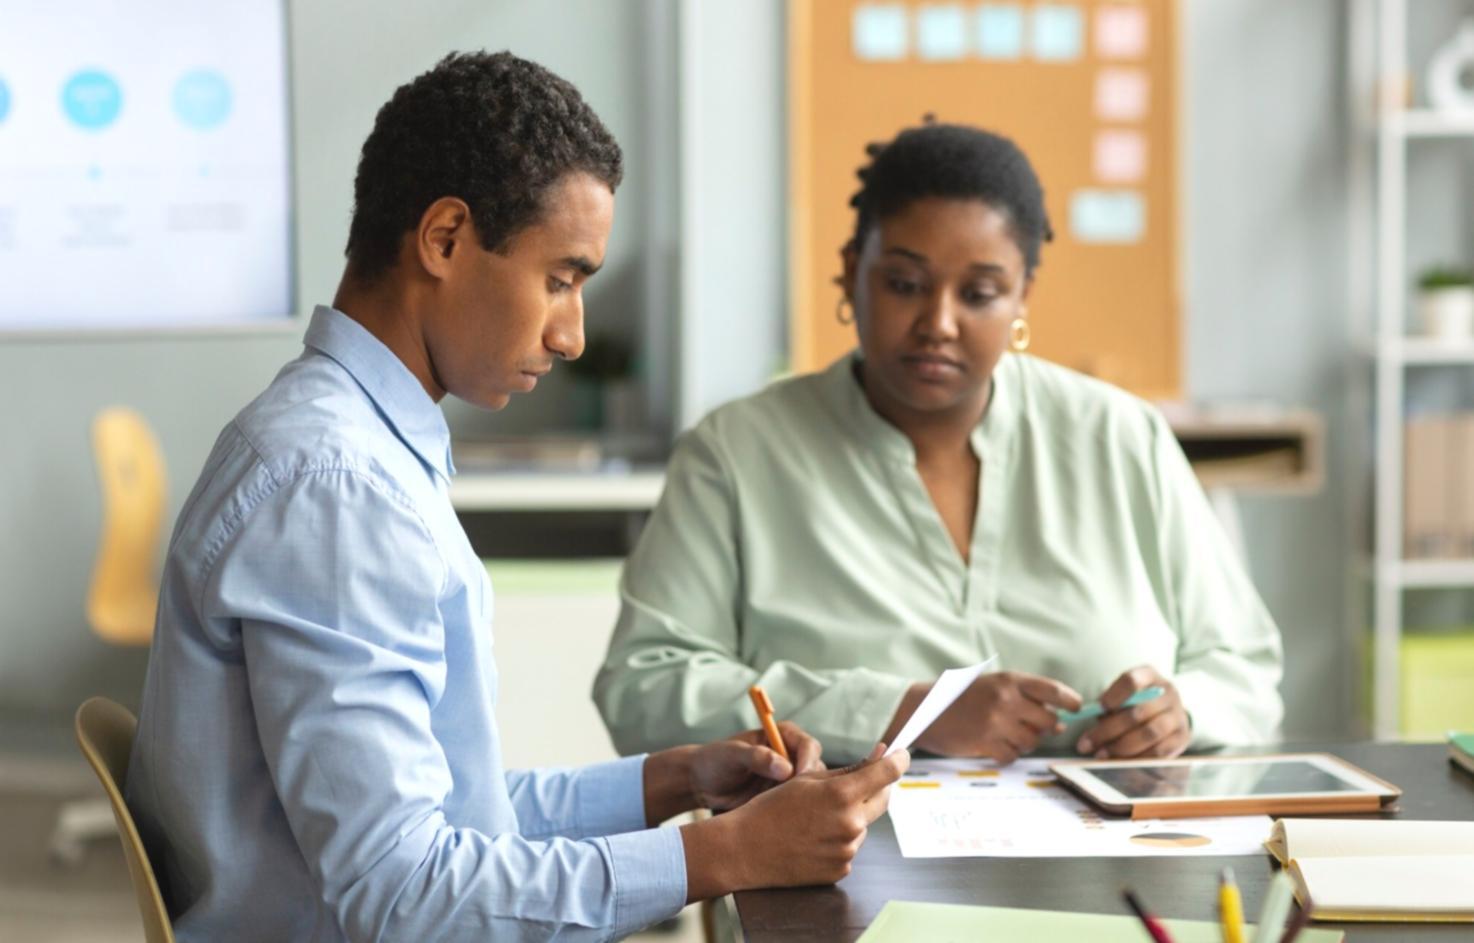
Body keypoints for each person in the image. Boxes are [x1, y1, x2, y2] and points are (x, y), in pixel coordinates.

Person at [125, 51, 907, 943]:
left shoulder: (353, 449)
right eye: (561, 279)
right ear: (445, 239)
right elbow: (406, 896)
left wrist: (680, 780)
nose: (571, 332)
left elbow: (461, 815)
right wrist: (728, 856)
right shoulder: (337, 489)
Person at [594, 121, 1284, 767]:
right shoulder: (737, 453)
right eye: (904, 284)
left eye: (981, 293)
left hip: (1110, 863)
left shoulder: (1120, 436)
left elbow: (1245, 666)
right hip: (842, 865)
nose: (939, 323)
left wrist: (1182, 710)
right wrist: (897, 712)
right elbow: (643, 688)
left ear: (1023, 298)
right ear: (848, 272)